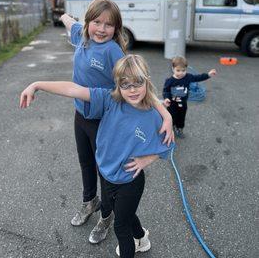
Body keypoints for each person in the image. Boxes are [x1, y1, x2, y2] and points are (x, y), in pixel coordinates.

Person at [20, 54, 175, 258]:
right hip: (107, 175)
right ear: (118, 85)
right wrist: (37, 84)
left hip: (130, 180)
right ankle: (142, 239)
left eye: (138, 83)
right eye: (125, 84)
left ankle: (134, 245)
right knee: (125, 214)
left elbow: (168, 145)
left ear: (146, 81)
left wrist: (147, 160)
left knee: (121, 228)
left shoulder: (154, 117)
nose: (132, 89)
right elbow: (73, 89)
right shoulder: (110, 101)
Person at [60, 0, 174, 244]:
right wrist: (65, 17)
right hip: (80, 114)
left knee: (105, 169)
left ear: (116, 28)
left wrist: (165, 113)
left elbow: (135, 83)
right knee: (85, 163)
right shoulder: (81, 34)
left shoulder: (112, 50)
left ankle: (106, 216)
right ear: (88, 22)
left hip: (102, 118)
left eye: (108, 25)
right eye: (97, 22)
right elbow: (71, 23)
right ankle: (89, 202)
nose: (101, 29)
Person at [163, 56, 217, 139]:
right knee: (171, 117)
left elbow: (198, 77)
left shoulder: (188, 77)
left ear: (186, 69)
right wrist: (166, 98)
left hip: (183, 104)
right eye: (178, 70)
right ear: (173, 68)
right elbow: (166, 91)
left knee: (181, 117)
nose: (181, 73)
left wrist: (208, 75)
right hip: (172, 104)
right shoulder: (169, 80)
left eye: (183, 70)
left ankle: (179, 129)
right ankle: (170, 128)